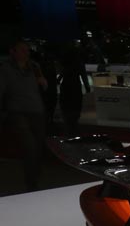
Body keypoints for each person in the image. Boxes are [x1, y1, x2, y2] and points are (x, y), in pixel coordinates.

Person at [0, 39, 49, 191]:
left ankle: (34, 177)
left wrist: (43, 82)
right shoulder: (5, 68)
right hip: (17, 111)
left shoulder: (34, 66)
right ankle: (31, 183)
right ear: (12, 51)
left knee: (38, 147)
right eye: (22, 50)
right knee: (29, 145)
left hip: (37, 111)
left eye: (27, 50)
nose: (26, 53)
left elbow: (44, 86)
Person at [57, 45, 90, 137]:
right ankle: (74, 128)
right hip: (75, 87)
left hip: (66, 86)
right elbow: (84, 76)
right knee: (75, 107)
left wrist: (58, 80)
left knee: (66, 107)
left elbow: (61, 74)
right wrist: (87, 87)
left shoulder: (65, 63)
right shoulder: (79, 63)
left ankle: (68, 128)